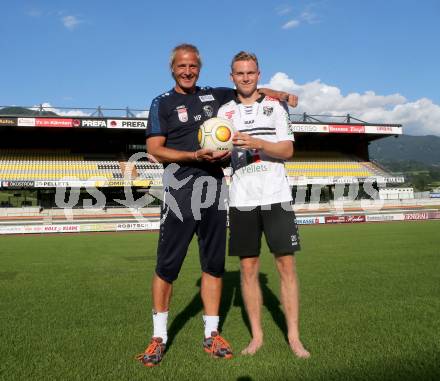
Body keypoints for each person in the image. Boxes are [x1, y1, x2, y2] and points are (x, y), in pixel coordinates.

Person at [136, 44, 299, 367]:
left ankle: (212, 334)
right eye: (182, 66)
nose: (187, 70)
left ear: (200, 67)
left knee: (213, 264)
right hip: (181, 191)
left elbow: (248, 88)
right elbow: (154, 149)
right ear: (172, 68)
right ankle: (158, 338)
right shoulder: (162, 103)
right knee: (167, 266)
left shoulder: (215, 96)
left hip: (214, 190)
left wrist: (279, 94)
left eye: (193, 65)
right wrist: (193, 156)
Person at [217, 51, 310, 358]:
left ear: (259, 74)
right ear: (232, 77)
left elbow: (287, 150)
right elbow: (217, 149)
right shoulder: (224, 111)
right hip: (242, 200)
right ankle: (257, 337)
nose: (245, 77)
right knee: (247, 268)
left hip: (276, 196)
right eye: (240, 73)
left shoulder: (275, 106)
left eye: (251, 73)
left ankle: (294, 337)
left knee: (286, 266)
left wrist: (257, 143)